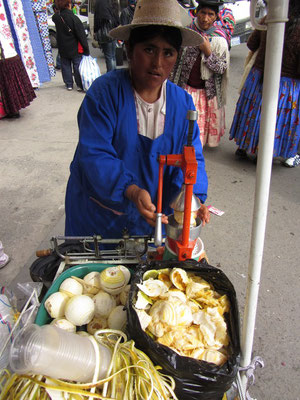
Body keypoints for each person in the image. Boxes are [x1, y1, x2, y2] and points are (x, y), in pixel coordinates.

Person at [65, 0, 210, 239]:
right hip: (99, 217)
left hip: (151, 218)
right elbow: (94, 154)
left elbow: (192, 157)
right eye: (149, 49)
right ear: (130, 49)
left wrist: (194, 197)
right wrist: (130, 190)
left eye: (168, 53)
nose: (158, 63)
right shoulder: (103, 94)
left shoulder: (183, 104)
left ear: (177, 56)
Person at [229, 0, 300, 168]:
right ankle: (276, 154)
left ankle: (244, 146)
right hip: (286, 84)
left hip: (259, 76)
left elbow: (251, 43)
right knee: (278, 119)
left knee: (254, 112)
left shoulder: (269, 18)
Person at [170, 0, 229, 148]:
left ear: (216, 17)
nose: (205, 18)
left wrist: (208, 51)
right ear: (197, 12)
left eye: (211, 14)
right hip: (185, 88)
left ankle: (195, 157)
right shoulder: (186, 34)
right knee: (181, 128)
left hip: (206, 93)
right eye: (203, 13)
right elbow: (174, 62)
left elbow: (221, 69)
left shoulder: (219, 39)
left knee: (197, 136)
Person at [52, 0, 89, 91]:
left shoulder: (57, 17)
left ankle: (69, 84)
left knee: (65, 65)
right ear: (69, 5)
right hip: (74, 46)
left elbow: (54, 15)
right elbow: (81, 35)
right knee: (77, 66)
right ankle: (79, 84)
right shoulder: (74, 18)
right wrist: (86, 49)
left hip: (63, 47)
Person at [94, 0, 119, 72]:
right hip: (113, 31)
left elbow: (98, 20)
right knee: (113, 56)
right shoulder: (113, 1)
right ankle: (114, 74)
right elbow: (116, 18)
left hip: (105, 33)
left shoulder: (100, 3)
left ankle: (111, 75)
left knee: (108, 56)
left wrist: (96, 31)